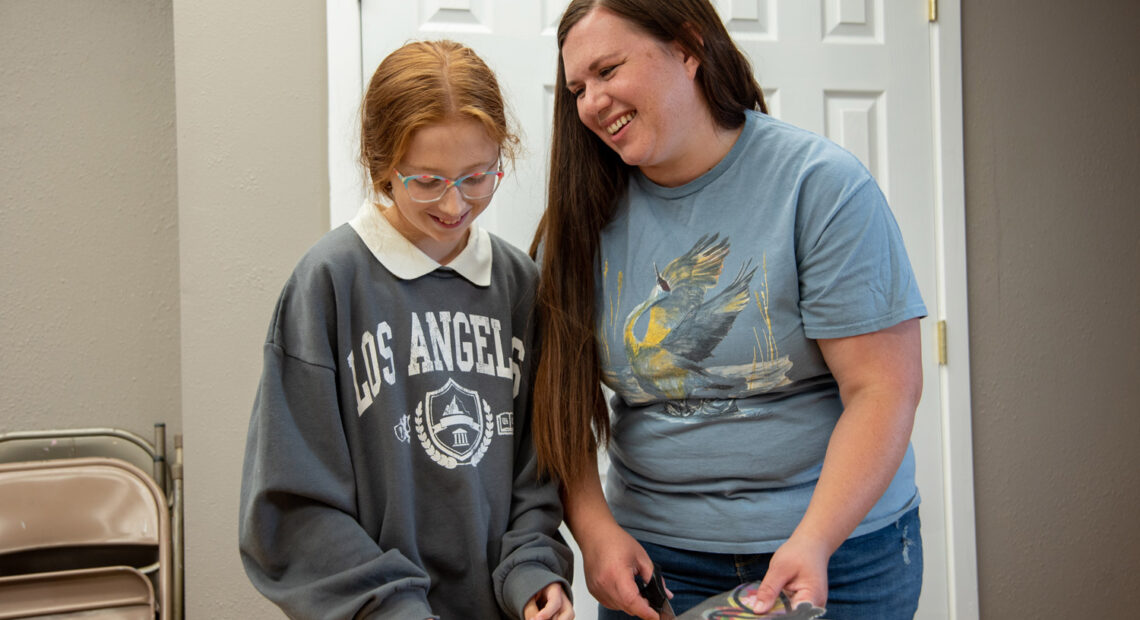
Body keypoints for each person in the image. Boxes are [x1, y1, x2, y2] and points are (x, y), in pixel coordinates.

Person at [529, 1, 926, 619]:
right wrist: (595, 533)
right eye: (578, 87)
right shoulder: (580, 219)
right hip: (659, 561)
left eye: (608, 70)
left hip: (841, 551)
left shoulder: (821, 186)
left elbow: (882, 388)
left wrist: (814, 540)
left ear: (688, 48)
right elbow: (562, 402)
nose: (591, 102)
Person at [239, 40, 575, 620]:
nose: (454, 204)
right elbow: (291, 507)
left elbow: (537, 468)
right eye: (427, 181)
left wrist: (534, 570)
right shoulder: (330, 282)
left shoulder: (519, 285)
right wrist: (392, 607)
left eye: (478, 177)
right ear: (382, 169)